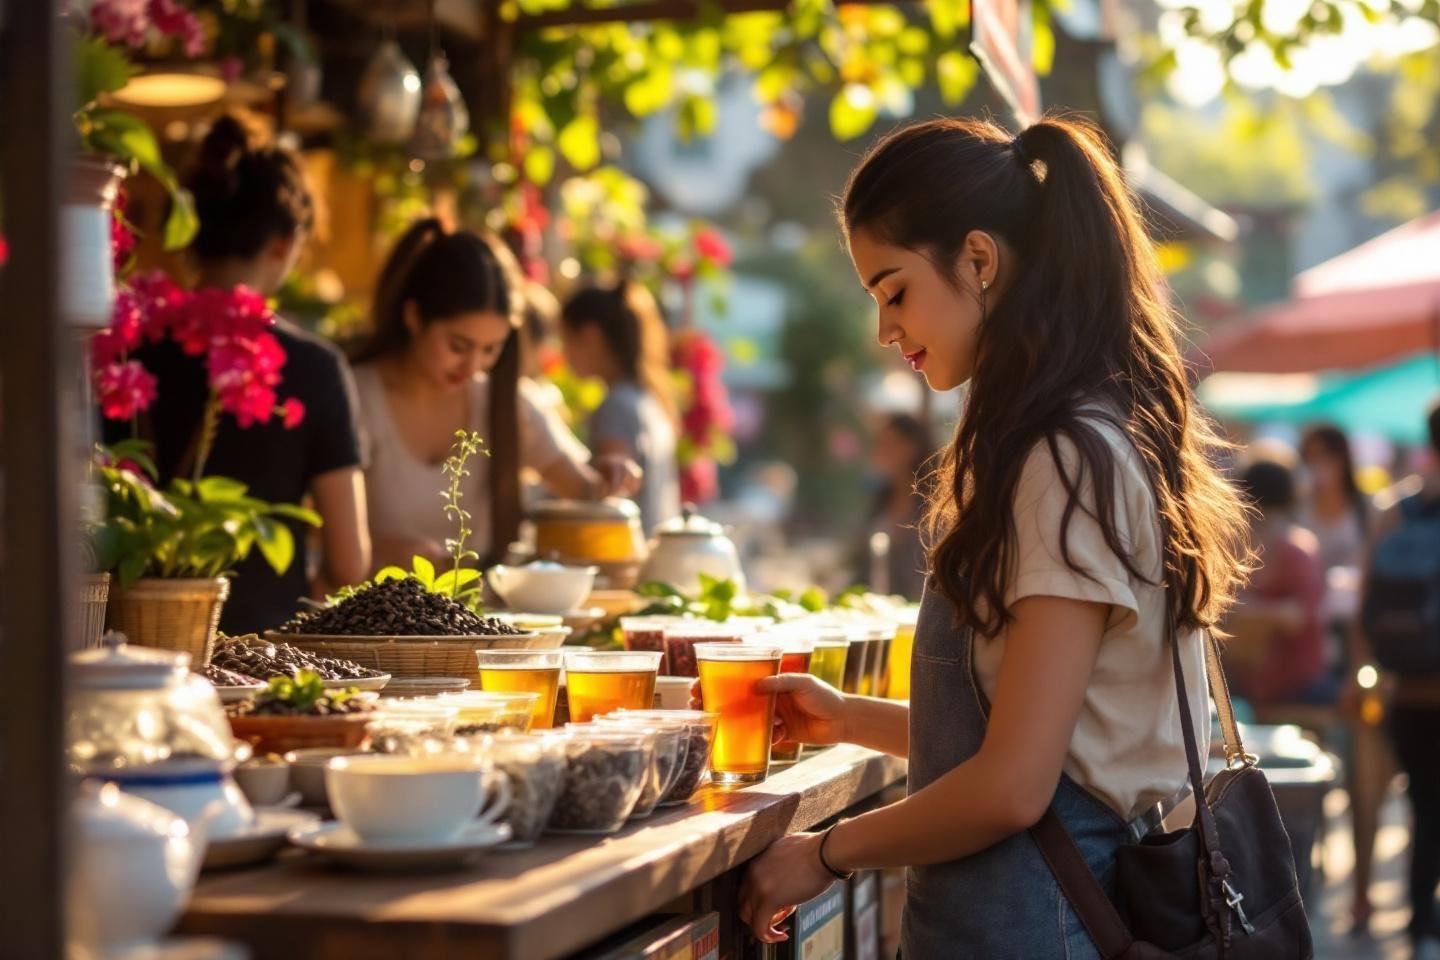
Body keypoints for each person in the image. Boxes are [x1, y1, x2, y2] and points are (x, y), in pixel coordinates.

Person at [721, 116, 1252, 954]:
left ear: (979, 259)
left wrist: (825, 853)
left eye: (894, 290)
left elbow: (1013, 787)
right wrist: (848, 718)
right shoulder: (1076, 437)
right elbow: (1047, 738)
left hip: (1040, 918)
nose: (884, 330)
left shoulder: (1063, 459)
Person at [105, 113, 370, 633]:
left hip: (123, 643)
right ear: (284, 243)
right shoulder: (314, 369)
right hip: (264, 657)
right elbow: (349, 564)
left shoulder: (123, 349)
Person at [350, 220, 641, 570]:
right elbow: (311, 526)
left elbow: (584, 489)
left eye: (491, 349)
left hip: (472, 618)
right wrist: (378, 552)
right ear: (413, 316)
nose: (473, 365)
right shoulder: (354, 396)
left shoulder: (507, 401)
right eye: (459, 346)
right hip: (360, 617)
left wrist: (611, 474)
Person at [1364, 401, 1440, 959]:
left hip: (1406, 689)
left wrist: (1363, 676)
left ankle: (1417, 918)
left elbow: (1364, 604)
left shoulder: (1394, 510)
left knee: (1423, 804)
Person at [559, 280, 682, 534]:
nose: (563, 353)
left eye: (565, 339)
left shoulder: (615, 406)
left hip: (627, 560)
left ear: (590, 336)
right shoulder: (647, 398)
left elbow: (613, 492)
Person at [1222, 458, 1331, 706]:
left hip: (1297, 687)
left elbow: (1298, 617)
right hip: (1250, 687)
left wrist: (1248, 611)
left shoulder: (1296, 550)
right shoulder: (1241, 547)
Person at [864, 412, 932, 599]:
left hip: (917, 612)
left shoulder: (933, 507)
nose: (878, 452)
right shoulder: (881, 501)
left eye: (887, 444)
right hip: (881, 609)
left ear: (911, 447)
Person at [1297, 423, 1371, 573]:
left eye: (1326, 456)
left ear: (1343, 459)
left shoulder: (1366, 509)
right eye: (1311, 457)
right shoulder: (1297, 506)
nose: (1318, 465)